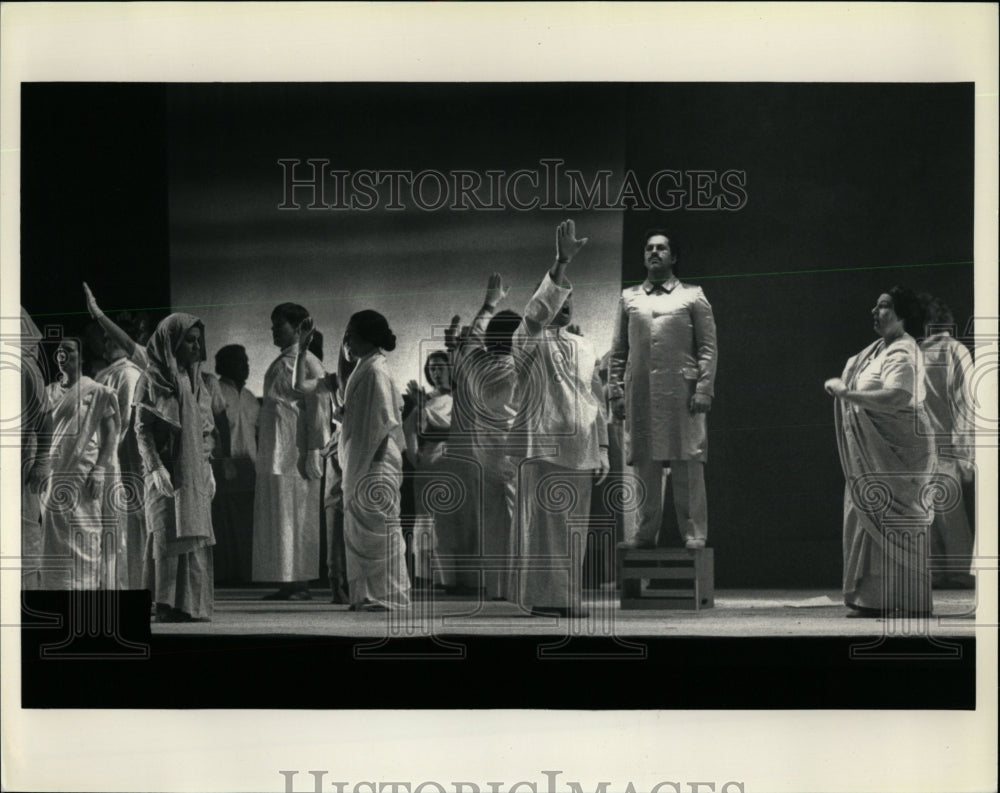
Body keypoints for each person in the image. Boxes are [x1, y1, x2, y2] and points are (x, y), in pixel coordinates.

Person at [508, 220, 609, 618]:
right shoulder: (528, 339)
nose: (564, 306)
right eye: (557, 299)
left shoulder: (584, 346)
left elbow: (595, 400)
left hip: (580, 449)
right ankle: (548, 599)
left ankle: (565, 597)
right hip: (545, 446)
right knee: (544, 529)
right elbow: (536, 315)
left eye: (570, 301)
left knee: (573, 529)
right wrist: (561, 263)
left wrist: (602, 448)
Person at [824, 287, 935, 617]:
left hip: (900, 452)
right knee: (865, 516)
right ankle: (874, 599)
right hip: (873, 453)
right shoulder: (874, 351)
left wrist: (849, 395)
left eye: (884, 306)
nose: (875, 310)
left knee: (895, 520)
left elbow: (898, 397)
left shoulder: (903, 351)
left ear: (902, 315)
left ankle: (907, 600)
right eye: (875, 305)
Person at [610, 230, 717, 551]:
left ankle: (693, 531)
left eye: (661, 248)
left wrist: (704, 388)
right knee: (645, 463)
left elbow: (708, 347)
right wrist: (615, 391)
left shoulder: (693, 295)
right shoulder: (629, 298)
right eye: (649, 248)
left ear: (674, 256)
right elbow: (618, 350)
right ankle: (644, 533)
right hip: (640, 391)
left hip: (682, 392)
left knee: (688, 460)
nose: (654, 252)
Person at [135, 313, 218, 621]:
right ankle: (166, 604)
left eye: (199, 341)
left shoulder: (196, 381)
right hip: (166, 472)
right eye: (189, 341)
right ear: (172, 342)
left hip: (194, 471)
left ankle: (190, 605)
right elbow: (142, 429)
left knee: (192, 533)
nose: (196, 347)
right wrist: (155, 468)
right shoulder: (152, 378)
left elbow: (205, 429)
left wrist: (206, 465)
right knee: (165, 534)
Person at [446, 274, 521, 600]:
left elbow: (474, 335)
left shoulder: (474, 362)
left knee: (492, 521)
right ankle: (517, 586)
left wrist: (489, 304)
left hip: (483, 454)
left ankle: (496, 587)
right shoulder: (520, 365)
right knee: (517, 517)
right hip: (512, 452)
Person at [252, 303, 327, 600]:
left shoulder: (308, 363)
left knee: (297, 517)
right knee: (279, 519)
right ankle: (286, 580)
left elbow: (319, 410)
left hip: (294, 453)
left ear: (298, 328)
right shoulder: (281, 361)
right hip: (275, 450)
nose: (273, 330)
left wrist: (314, 451)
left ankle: (301, 583)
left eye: (278, 325)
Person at [35, 338, 121, 589]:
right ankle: (57, 588)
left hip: (84, 471)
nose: (62, 354)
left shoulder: (96, 391)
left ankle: (85, 588)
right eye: (59, 351)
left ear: (80, 357)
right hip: (55, 470)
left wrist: (101, 469)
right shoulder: (49, 392)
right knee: (54, 528)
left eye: (69, 350)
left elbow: (111, 433)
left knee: (85, 526)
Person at [339, 310, 410, 611]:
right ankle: (367, 594)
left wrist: (372, 468)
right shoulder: (365, 367)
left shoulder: (376, 371)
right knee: (361, 530)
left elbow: (384, 423)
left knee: (380, 530)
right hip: (365, 461)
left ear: (367, 339)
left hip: (376, 463)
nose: (347, 342)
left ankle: (388, 596)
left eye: (351, 336)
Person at [918, 294, 976, 589]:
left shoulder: (936, 352)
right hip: (942, 444)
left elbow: (965, 402)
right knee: (941, 513)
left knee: (935, 513)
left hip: (930, 446)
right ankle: (950, 572)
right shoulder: (951, 351)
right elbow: (966, 401)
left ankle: (949, 572)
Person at [94, 314, 147, 590]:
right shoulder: (105, 373)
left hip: (119, 460)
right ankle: (109, 586)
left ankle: (128, 587)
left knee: (123, 529)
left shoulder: (128, 373)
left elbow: (127, 421)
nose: (103, 343)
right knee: (107, 526)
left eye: (108, 338)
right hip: (101, 457)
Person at [402, 351, 454, 589]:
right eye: (432, 367)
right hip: (428, 461)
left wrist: (425, 408)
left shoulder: (460, 398)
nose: (436, 372)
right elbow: (410, 430)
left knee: (448, 518)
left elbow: (450, 425)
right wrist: (415, 459)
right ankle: (426, 575)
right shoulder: (426, 398)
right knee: (426, 519)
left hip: (453, 460)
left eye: (441, 367)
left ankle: (451, 576)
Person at [210, 344, 260, 584]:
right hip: (224, 465)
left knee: (247, 523)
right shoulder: (216, 391)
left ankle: (247, 573)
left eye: (247, 361)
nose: (246, 366)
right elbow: (214, 431)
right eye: (239, 361)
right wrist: (223, 461)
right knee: (224, 522)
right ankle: (227, 575)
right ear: (225, 365)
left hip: (250, 466)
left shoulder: (251, 398)